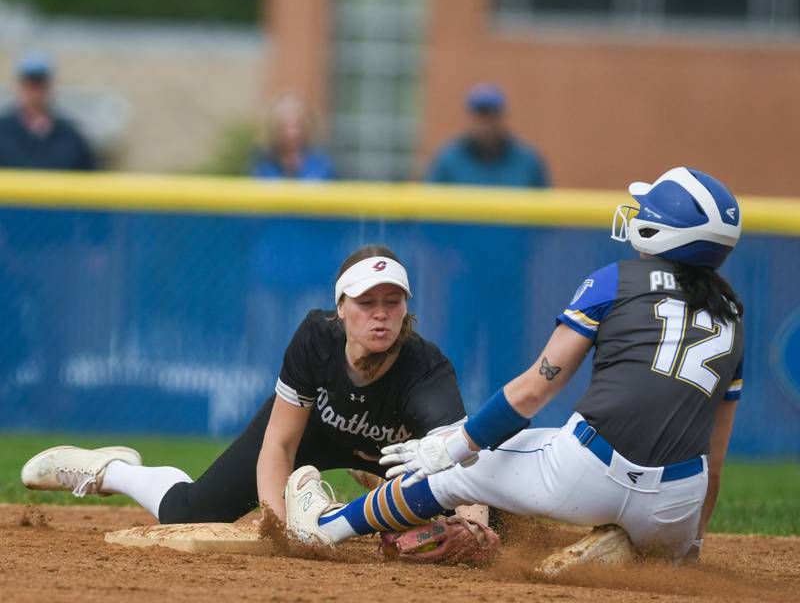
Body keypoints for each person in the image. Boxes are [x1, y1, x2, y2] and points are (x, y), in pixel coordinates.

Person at [283, 167, 744, 567]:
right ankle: (638, 547)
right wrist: (689, 544)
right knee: (669, 526)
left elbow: (533, 392)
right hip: (675, 506)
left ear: (662, 232)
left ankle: (327, 527)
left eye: (649, 211)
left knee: (450, 472)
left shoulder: (617, 280)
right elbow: (715, 461)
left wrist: (455, 447)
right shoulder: (732, 317)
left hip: (587, 477)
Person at [21, 245, 491, 551]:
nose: (381, 315)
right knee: (191, 512)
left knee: (486, 524)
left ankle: (381, 489)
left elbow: (466, 463)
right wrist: (277, 524)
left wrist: (473, 524)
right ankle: (113, 470)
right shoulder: (315, 336)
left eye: (393, 302)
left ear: (407, 308)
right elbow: (281, 444)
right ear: (341, 309)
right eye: (367, 303)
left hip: (392, 457)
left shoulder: (426, 370)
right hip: (311, 436)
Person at [426, 83, 549, 187]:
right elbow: (428, 208)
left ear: (502, 118)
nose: (486, 124)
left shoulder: (528, 162)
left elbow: (545, 210)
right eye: (480, 115)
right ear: (469, 118)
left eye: (492, 115)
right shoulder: (447, 161)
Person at [0, 52, 95, 171]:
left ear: (49, 86)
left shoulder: (71, 138)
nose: (35, 92)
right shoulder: (3, 133)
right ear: (19, 86)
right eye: (30, 84)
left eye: (40, 84)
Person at [250, 93, 335, 180]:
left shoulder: (322, 165)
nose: (291, 133)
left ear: (307, 126)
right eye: (284, 126)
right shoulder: (261, 166)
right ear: (274, 128)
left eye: (296, 125)